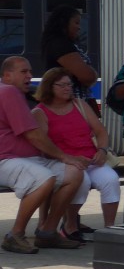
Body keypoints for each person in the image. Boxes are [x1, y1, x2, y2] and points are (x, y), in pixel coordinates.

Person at [0, 57, 85, 253]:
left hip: (27, 159)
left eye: (29, 71)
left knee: (74, 173)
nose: (30, 75)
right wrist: (64, 156)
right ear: (7, 75)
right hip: (7, 159)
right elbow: (33, 135)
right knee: (43, 178)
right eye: (23, 72)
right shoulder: (9, 91)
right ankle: (16, 235)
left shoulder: (12, 92)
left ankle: (47, 232)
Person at [33, 66, 120, 238]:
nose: (68, 88)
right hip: (63, 162)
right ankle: (70, 225)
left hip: (91, 159)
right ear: (50, 86)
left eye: (70, 85)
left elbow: (100, 131)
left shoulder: (79, 104)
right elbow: (43, 145)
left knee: (111, 180)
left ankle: (110, 230)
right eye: (63, 85)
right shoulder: (40, 112)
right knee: (82, 181)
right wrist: (70, 158)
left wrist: (102, 150)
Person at [41, 5, 99, 103]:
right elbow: (87, 76)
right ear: (64, 23)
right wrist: (91, 73)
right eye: (76, 23)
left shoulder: (63, 44)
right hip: (69, 103)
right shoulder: (60, 45)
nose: (79, 27)